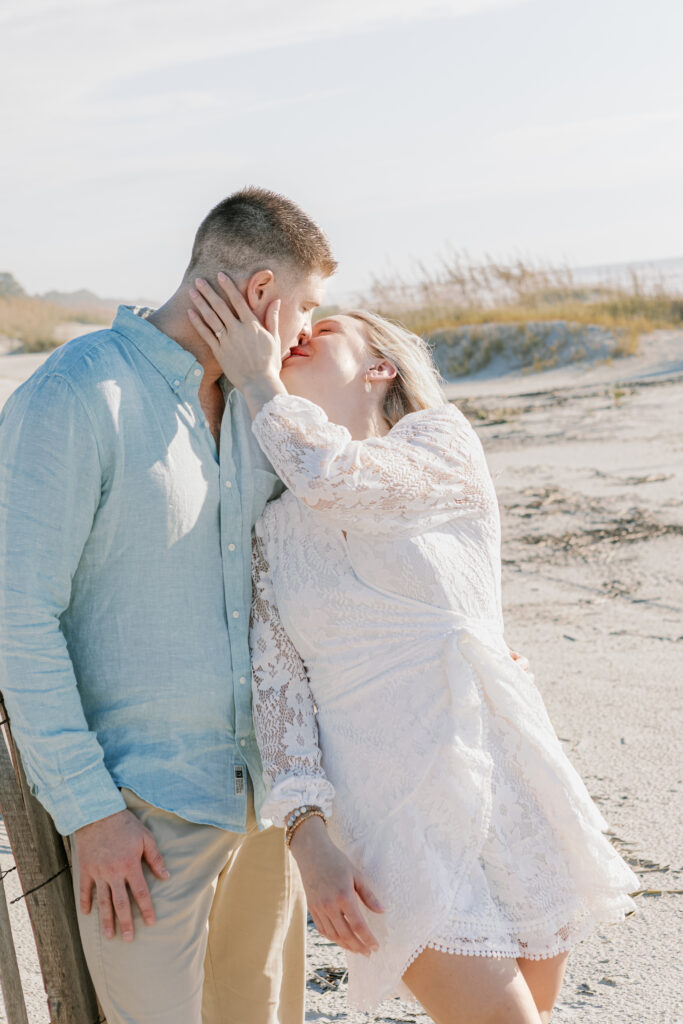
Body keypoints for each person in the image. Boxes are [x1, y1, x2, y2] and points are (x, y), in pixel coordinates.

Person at [188, 282, 640, 1024]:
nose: (297, 334)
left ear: (380, 370)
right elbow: (281, 697)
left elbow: (338, 481)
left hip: (502, 778)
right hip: (388, 815)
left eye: (324, 328)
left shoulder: (440, 444)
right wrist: (309, 839)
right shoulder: (271, 532)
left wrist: (261, 381)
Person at [0, 187, 336, 1024]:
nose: (305, 335)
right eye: (305, 309)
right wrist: (90, 815)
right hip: (141, 824)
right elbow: (15, 612)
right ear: (261, 293)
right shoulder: (79, 393)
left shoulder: (266, 405)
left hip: (264, 814)